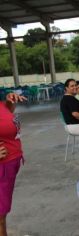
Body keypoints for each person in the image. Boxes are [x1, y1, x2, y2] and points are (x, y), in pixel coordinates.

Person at [0, 92, 26, 236]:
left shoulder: (2, 104)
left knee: (2, 216)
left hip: (9, 166)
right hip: (2, 167)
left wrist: (9, 103)